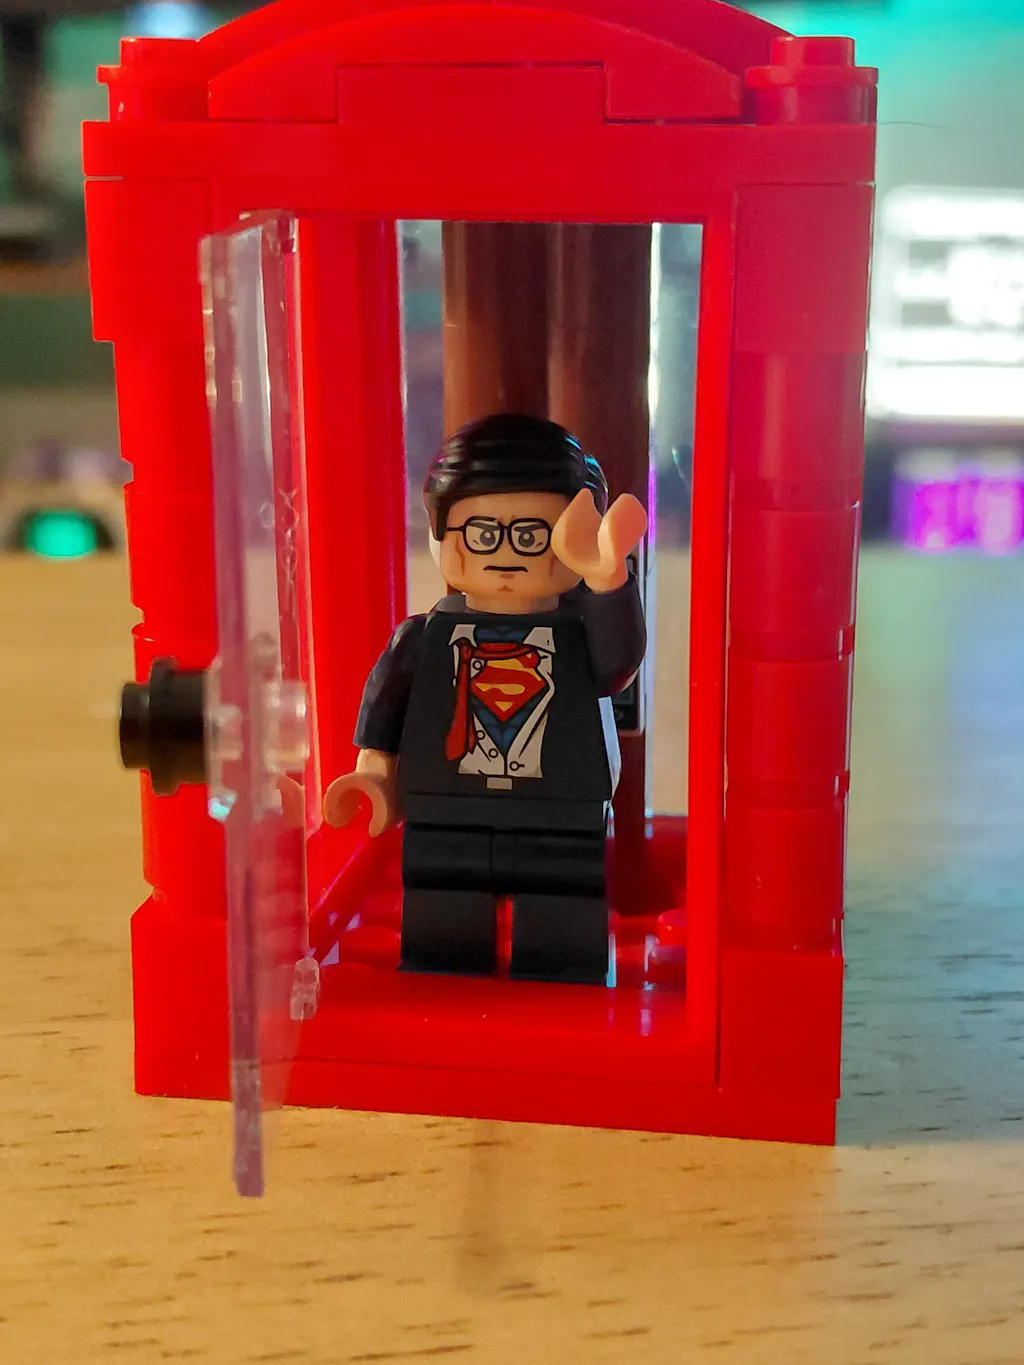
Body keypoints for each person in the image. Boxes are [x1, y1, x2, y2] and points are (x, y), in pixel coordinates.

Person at [324, 413, 647, 985]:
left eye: (531, 535)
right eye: (481, 533)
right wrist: (375, 776)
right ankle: (443, 987)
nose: (505, 554)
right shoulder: (424, 639)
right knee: (443, 922)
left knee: (562, 925)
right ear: (441, 534)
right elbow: (386, 713)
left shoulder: (580, 637)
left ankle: (561, 989)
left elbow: (617, 667)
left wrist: (607, 581)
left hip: (561, 812)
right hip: (447, 810)